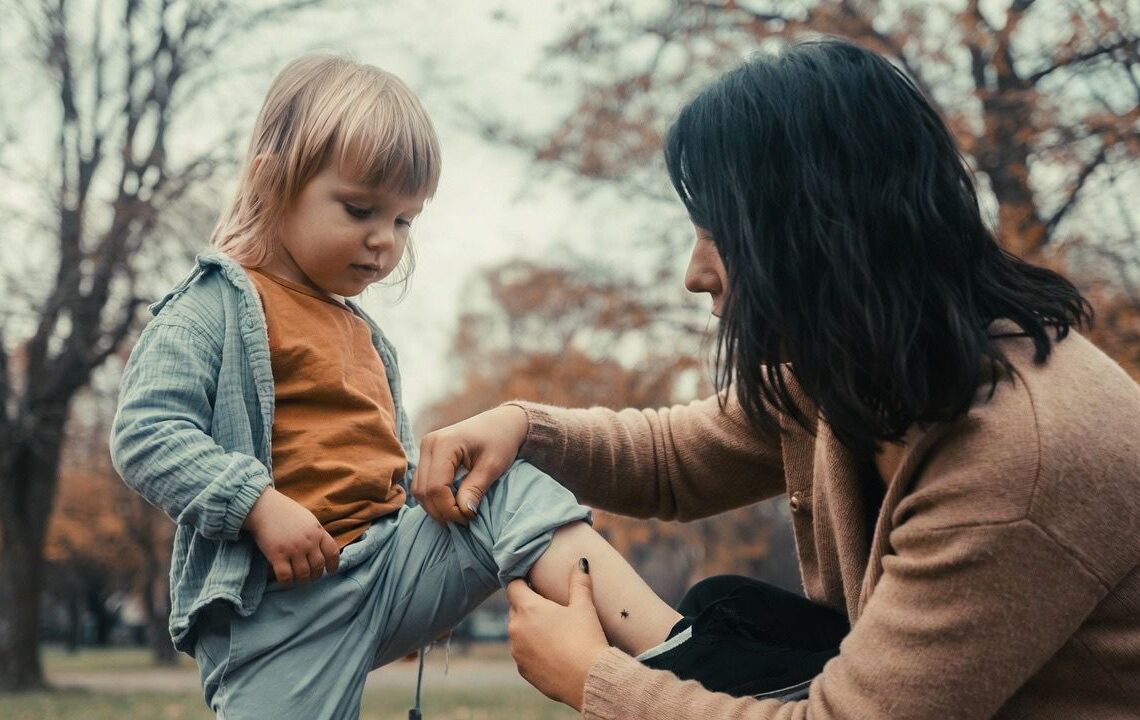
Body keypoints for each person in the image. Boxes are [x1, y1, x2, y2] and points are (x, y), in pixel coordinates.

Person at [413, 38, 1140, 719]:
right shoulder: (870, 363)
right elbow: (671, 461)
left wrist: (596, 680)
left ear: (815, 231)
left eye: (717, 236)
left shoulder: (1018, 457)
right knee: (728, 608)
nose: (695, 275)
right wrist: (524, 426)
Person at [110, 55, 683, 719]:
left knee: (500, 480)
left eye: (405, 220)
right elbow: (146, 432)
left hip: (385, 573)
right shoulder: (216, 305)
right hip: (278, 615)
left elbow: (372, 462)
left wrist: (420, 503)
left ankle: (678, 650)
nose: (384, 241)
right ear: (272, 183)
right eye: (360, 210)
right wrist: (257, 505)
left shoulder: (363, 333)